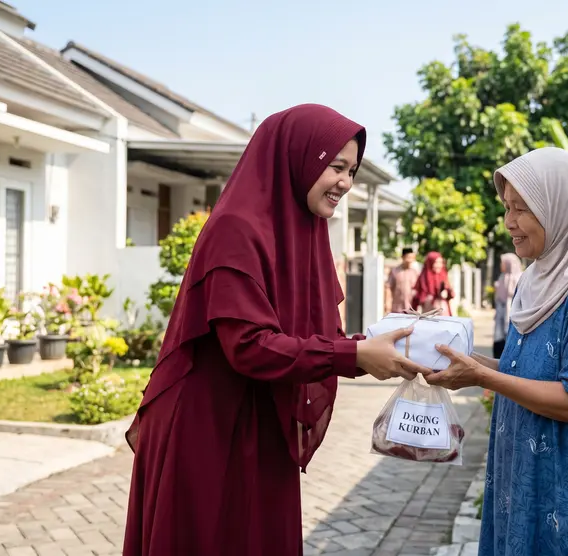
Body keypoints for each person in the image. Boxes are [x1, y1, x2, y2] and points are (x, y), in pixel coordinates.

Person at [121, 104, 430, 556]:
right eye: (336, 166)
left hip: (262, 418)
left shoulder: (303, 233)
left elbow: (311, 334)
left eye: (353, 171)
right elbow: (248, 346)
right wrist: (355, 356)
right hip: (211, 430)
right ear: (299, 158)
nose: (345, 182)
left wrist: (379, 347)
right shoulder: (236, 230)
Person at [425, 147, 568, 555]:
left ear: (562, 209)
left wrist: (481, 376)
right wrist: (460, 361)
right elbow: (522, 369)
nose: (509, 223)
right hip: (525, 483)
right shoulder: (535, 281)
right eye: (507, 208)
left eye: (522, 209)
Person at [492, 253, 522, 358]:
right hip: (501, 313)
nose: (501, 265)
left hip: (513, 313)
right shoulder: (502, 277)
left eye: (503, 263)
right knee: (499, 340)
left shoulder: (519, 278)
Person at [411, 251, 453, 316]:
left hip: (443, 313)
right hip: (428, 313)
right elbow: (416, 297)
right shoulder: (423, 277)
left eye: (440, 262)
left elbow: (450, 294)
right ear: (430, 263)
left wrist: (448, 290)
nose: (439, 265)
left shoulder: (443, 275)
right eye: (436, 262)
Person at [387, 247, 419, 313]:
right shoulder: (395, 271)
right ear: (403, 257)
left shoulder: (415, 272)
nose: (410, 260)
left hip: (412, 308)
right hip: (397, 307)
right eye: (408, 257)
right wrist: (388, 303)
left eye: (412, 257)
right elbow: (388, 287)